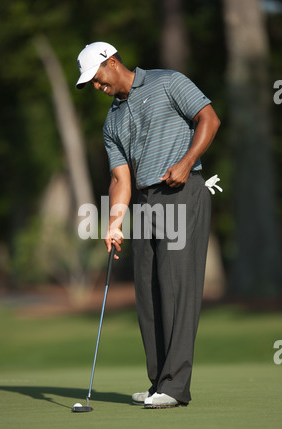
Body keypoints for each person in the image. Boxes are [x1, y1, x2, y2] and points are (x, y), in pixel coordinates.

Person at [76, 42, 221, 408]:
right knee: (148, 291)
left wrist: (187, 163)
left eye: (96, 78)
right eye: (89, 83)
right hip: (144, 202)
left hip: (183, 192)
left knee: (176, 289)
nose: (95, 86)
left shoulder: (167, 82)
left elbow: (209, 118)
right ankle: (158, 382)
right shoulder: (112, 121)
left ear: (111, 62)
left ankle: (175, 387)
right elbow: (120, 178)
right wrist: (114, 222)